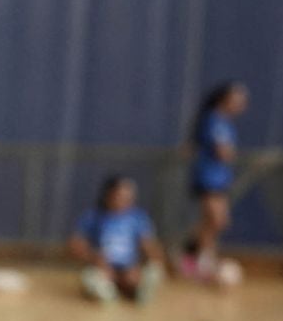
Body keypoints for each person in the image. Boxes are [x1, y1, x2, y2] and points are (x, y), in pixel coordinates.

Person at [181, 80, 248, 282]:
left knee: (218, 222)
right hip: (208, 178)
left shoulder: (225, 123)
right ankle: (203, 264)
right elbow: (222, 152)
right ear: (223, 99)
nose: (241, 105)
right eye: (236, 100)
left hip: (220, 179)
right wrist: (227, 153)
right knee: (215, 220)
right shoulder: (213, 120)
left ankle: (189, 255)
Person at [70, 174, 165, 304]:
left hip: (129, 267)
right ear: (108, 195)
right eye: (121, 196)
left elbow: (149, 246)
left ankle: (138, 289)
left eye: (129, 197)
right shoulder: (93, 216)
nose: (126, 201)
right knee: (92, 278)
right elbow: (75, 245)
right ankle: (106, 292)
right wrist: (94, 258)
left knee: (146, 274)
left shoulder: (138, 218)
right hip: (103, 267)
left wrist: (145, 264)